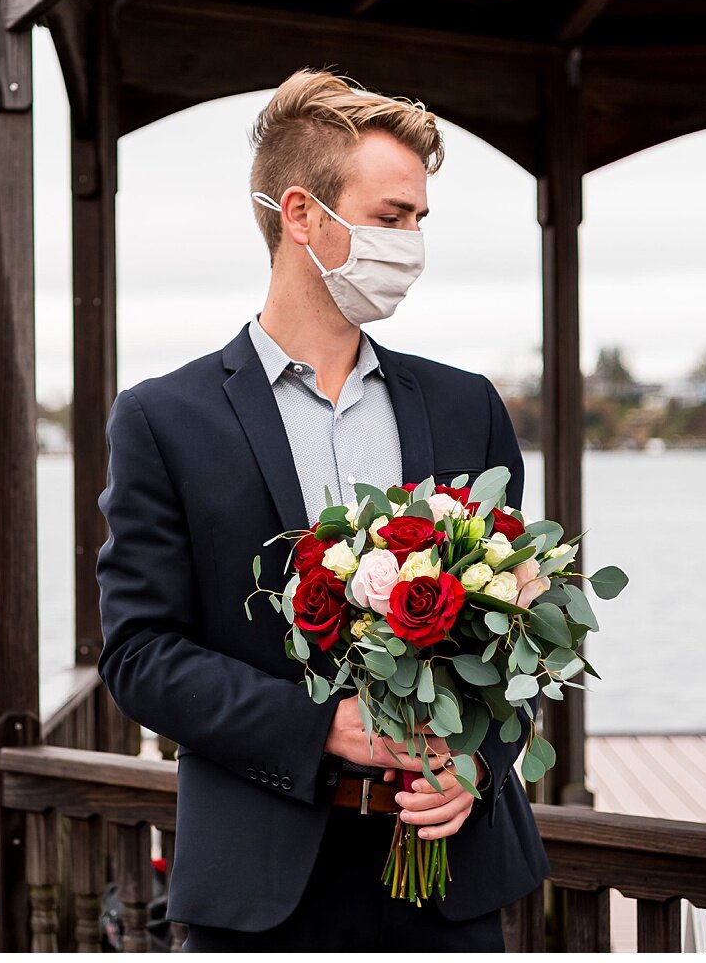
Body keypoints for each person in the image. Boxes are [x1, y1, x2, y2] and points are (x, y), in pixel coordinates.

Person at [95, 68, 548, 951]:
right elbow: (139, 654)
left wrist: (478, 765)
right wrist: (324, 728)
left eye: (419, 220)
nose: (411, 243)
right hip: (262, 886)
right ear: (303, 215)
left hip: (451, 881)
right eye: (390, 218)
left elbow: (520, 636)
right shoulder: (162, 420)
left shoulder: (468, 407)